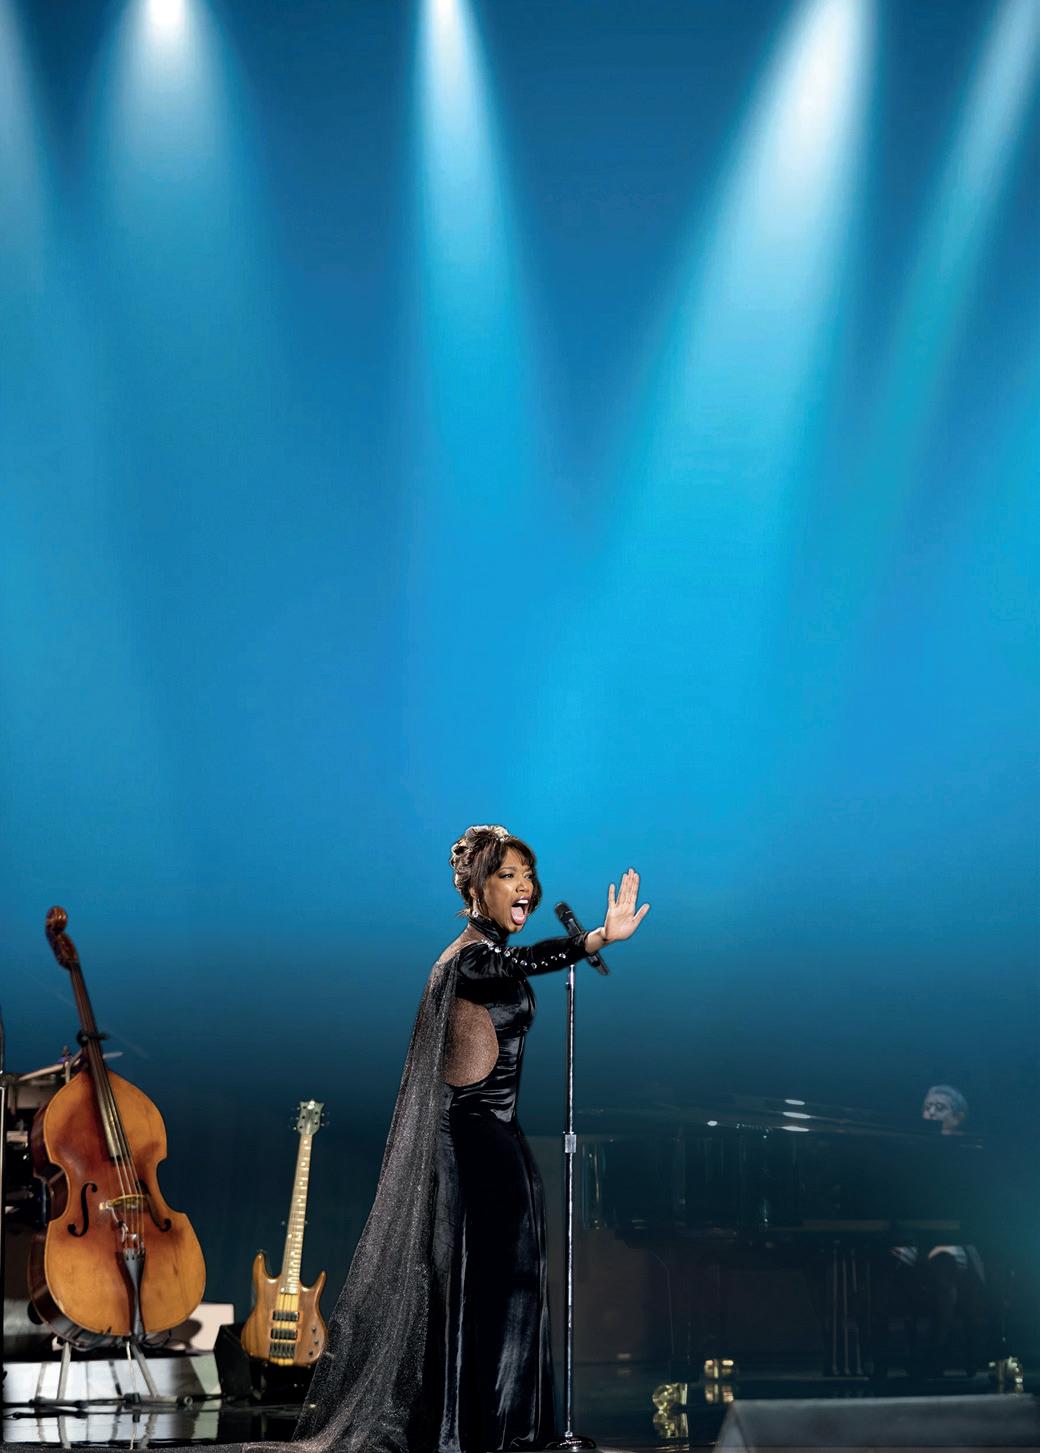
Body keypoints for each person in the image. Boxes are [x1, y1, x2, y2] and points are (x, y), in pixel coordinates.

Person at [288, 825, 649, 1453]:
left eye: (527, 875)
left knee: (509, 1285)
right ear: (477, 889)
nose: (524, 887)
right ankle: (492, 1433)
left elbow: (519, 963)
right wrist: (593, 939)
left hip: (498, 1137)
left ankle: (503, 1427)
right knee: (498, 1286)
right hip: (476, 1141)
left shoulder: (484, 954)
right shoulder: (468, 958)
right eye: (508, 875)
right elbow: (522, 962)